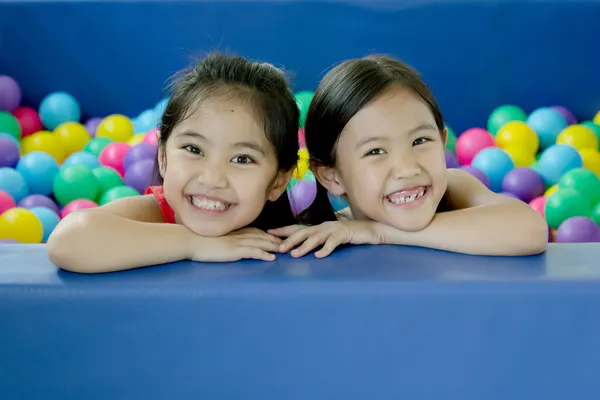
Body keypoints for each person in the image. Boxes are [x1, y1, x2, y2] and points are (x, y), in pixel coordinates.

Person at [269, 55, 548, 258]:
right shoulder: (322, 235)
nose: (406, 168)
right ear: (331, 174)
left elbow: (532, 230)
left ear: (442, 141)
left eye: (420, 140)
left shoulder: (455, 188)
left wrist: (379, 232)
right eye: (375, 151)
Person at [48, 53, 300, 273]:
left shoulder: (290, 234)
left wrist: (342, 225)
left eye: (242, 159)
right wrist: (193, 243)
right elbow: (66, 241)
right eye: (194, 149)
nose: (211, 179)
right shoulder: (153, 214)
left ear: (278, 181)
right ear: (163, 157)